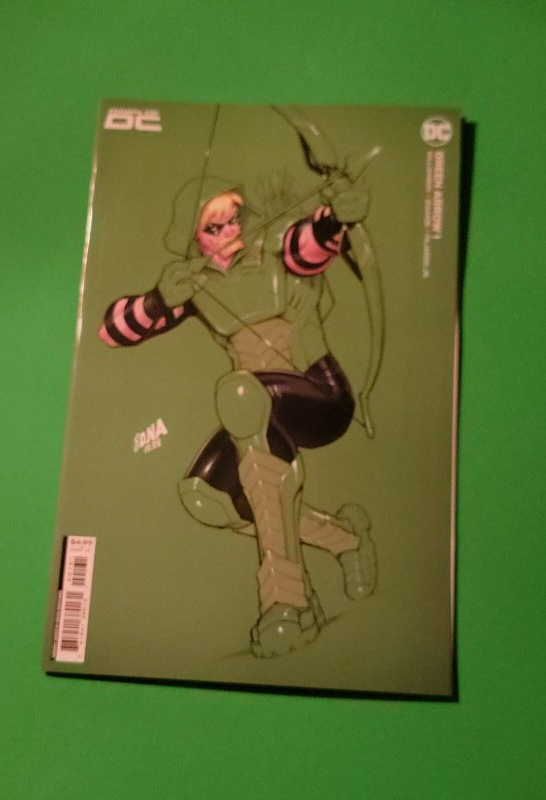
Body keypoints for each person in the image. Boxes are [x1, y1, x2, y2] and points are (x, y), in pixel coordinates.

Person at [99, 174, 377, 657]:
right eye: (213, 227)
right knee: (207, 496)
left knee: (243, 393)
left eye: (235, 219)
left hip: (318, 397)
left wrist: (336, 217)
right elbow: (112, 331)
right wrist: (158, 299)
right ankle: (344, 539)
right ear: (193, 236)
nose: (229, 231)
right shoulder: (195, 285)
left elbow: (310, 244)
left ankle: (286, 602)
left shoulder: (280, 257)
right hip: (253, 412)